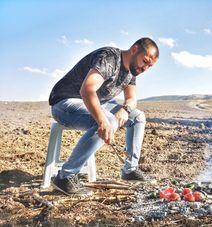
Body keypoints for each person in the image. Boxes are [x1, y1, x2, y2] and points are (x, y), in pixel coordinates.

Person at [48, 37, 159, 196]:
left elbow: (132, 99)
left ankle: (130, 170)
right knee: (109, 120)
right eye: (145, 61)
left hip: (97, 103)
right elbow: (87, 90)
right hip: (65, 102)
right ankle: (65, 176)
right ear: (134, 49)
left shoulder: (132, 70)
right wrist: (102, 121)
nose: (145, 68)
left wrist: (125, 110)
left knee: (137, 117)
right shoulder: (109, 58)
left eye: (150, 66)